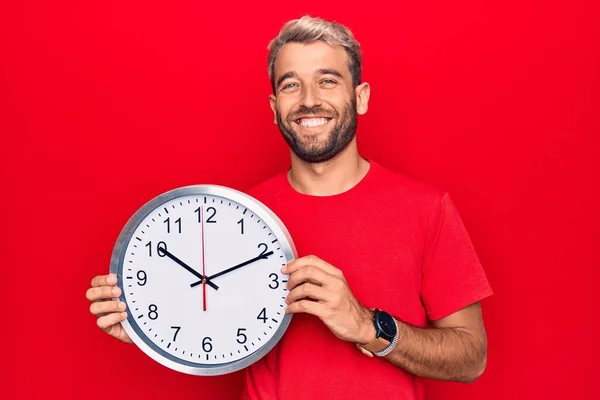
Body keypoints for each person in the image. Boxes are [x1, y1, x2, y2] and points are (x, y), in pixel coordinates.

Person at [86, 15, 493, 400]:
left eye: (328, 80)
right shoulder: (237, 216)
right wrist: (146, 327)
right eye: (290, 85)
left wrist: (366, 326)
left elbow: (471, 356)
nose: (309, 101)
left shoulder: (427, 208)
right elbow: (212, 318)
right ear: (274, 106)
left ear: (361, 97)